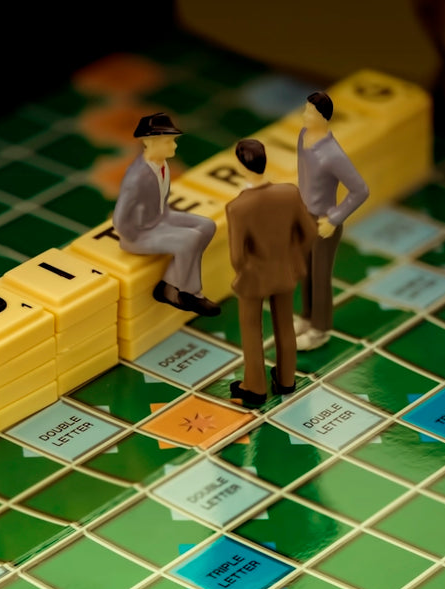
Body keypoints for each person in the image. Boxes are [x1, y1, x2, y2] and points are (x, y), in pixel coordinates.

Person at [226, 139, 318, 408]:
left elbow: (237, 256)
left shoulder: (238, 207)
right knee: (285, 326)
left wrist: (248, 269)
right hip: (285, 270)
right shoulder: (289, 192)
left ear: (242, 167)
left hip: (254, 277)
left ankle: (254, 388)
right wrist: (292, 257)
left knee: (252, 332)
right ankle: (286, 379)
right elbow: (310, 232)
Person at [112, 112, 220, 317]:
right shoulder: (137, 176)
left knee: (207, 226)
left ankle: (169, 285)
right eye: (169, 141)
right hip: (141, 233)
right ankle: (190, 293)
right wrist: (133, 236)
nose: (175, 146)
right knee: (190, 238)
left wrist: (164, 220)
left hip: (162, 217)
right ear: (151, 142)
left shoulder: (162, 165)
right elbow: (120, 215)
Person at [296, 91, 369, 350]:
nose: (304, 115)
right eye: (305, 110)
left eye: (310, 112)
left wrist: (334, 218)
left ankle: (320, 329)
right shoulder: (303, 137)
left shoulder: (332, 154)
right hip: (304, 215)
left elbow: (360, 190)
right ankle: (306, 317)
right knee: (304, 270)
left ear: (323, 117)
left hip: (324, 221)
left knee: (320, 275)